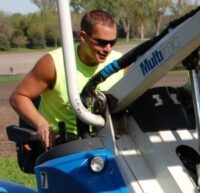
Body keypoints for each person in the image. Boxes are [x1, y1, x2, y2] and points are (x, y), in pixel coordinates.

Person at [10, 10, 123, 150]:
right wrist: (41, 124)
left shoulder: (120, 63)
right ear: (83, 37)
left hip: (107, 141)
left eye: (112, 42)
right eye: (101, 42)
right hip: (63, 145)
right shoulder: (54, 63)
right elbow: (18, 97)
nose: (108, 49)